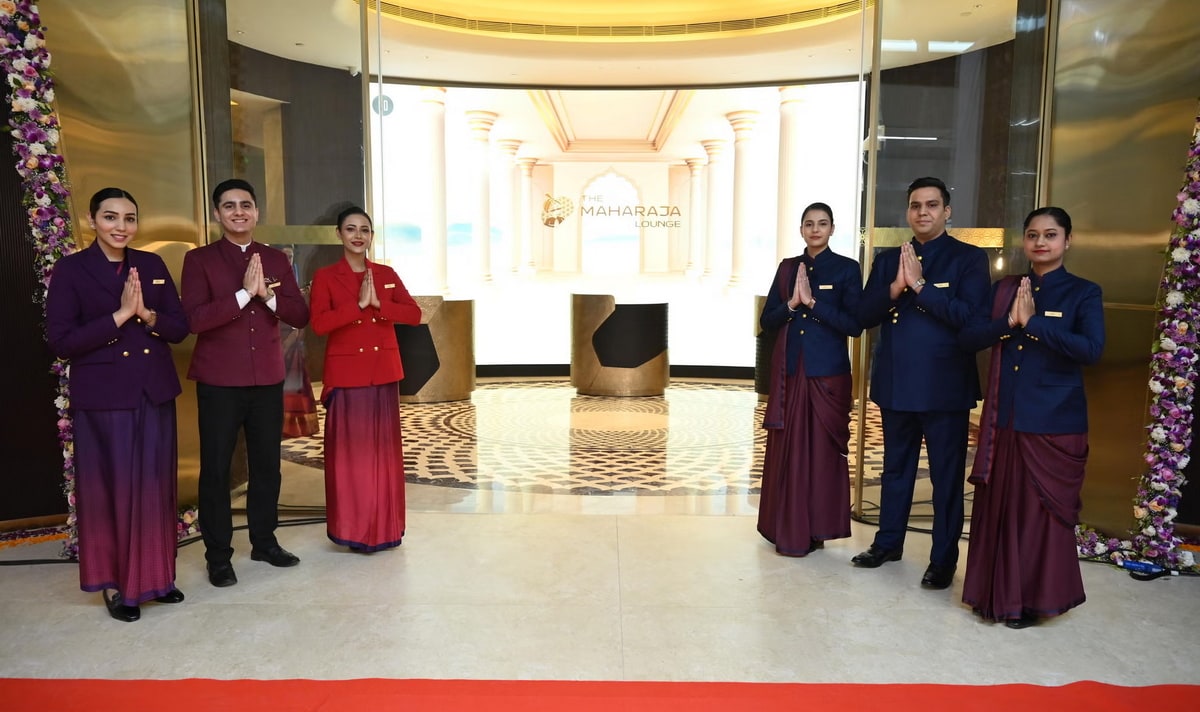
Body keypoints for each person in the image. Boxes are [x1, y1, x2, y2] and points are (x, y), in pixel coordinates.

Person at [46, 187, 190, 622]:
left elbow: (179, 328)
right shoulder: (71, 270)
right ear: (92, 221)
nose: (121, 227)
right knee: (113, 491)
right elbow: (61, 342)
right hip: (105, 398)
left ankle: (156, 577)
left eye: (129, 218)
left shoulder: (152, 264)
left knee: (154, 488)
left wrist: (146, 315)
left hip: (153, 391)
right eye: (111, 218)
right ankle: (117, 583)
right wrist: (118, 317)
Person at [959, 207, 1104, 628]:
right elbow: (969, 337)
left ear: (1067, 241)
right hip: (1005, 418)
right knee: (1003, 509)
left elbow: (1091, 350)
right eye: (1033, 235)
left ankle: (1032, 601)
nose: (1041, 242)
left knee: (1037, 518)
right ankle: (994, 596)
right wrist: (1008, 322)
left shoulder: (1084, 292)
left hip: (1054, 423)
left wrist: (1035, 323)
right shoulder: (1004, 289)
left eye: (1051, 235)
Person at [853, 176, 991, 590]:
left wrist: (921, 287)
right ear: (908, 212)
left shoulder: (968, 259)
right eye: (916, 205)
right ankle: (888, 542)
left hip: (944, 388)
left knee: (946, 477)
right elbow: (862, 315)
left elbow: (973, 319)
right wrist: (895, 287)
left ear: (947, 211)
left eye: (932, 205)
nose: (923, 212)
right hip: (896, 384)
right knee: (897, 469)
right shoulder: (886, 259)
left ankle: (943, 558)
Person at [181, 178, 309, 587]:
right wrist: (242, 294)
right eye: (230, 205)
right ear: (217, 214)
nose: (239, 211)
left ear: (256, 212)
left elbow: (299, 313)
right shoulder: (199, 260)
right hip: (219, 381)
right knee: (216, 470)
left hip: (267, 379)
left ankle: (264, 540)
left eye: (246, 205)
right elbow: (194, 320)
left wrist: (267, 296)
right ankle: (218, 555)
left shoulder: (275, 258)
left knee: (267, 466)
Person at [310, 207, 422, 552]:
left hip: (384, 375)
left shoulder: (386, 274)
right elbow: (319, 324)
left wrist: (379, 304)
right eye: (351, 229)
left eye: (365, 230)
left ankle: (385, 527)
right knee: (352, 457)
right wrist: (358, 307)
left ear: (372, 236)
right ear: (339, 235)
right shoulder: (327, 276)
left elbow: (414, 314)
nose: (358, 235)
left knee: (383, 455)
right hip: (348, 378)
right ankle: (354, 528)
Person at [757, 202, 863, 556]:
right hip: (790, 373)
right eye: (808, 224)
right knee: (789, 452)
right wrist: (791, 304)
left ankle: (818, 526)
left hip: (827, 377)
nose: (815, 229)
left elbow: (853, 325)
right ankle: (784, 526)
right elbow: (767, 320)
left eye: (822, 224)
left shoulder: (847, 269)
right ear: (801, 230)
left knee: (821, 456)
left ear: (833, 229)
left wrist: (813, 303)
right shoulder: (788, 269)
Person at [280, 246, 320, 439]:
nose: (288, 260)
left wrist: (293, 337)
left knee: (294, 387)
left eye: (291, 256)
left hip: (293, 342)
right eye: (284, 256)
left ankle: (292, 426)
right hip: (273, 344)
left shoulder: (296, 281)